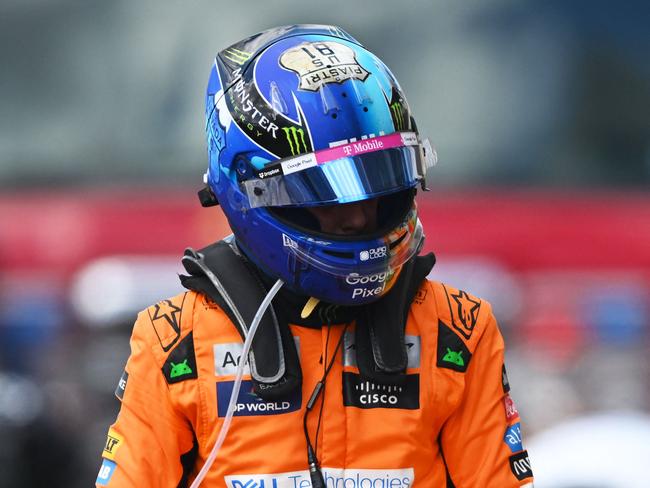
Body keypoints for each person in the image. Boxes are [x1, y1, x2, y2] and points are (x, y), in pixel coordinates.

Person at [96, 24, 534, 487]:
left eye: (378, 185)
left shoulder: (459, 331)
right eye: (331, 194)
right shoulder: (174, 341)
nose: (360, 218)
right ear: (252, 192)